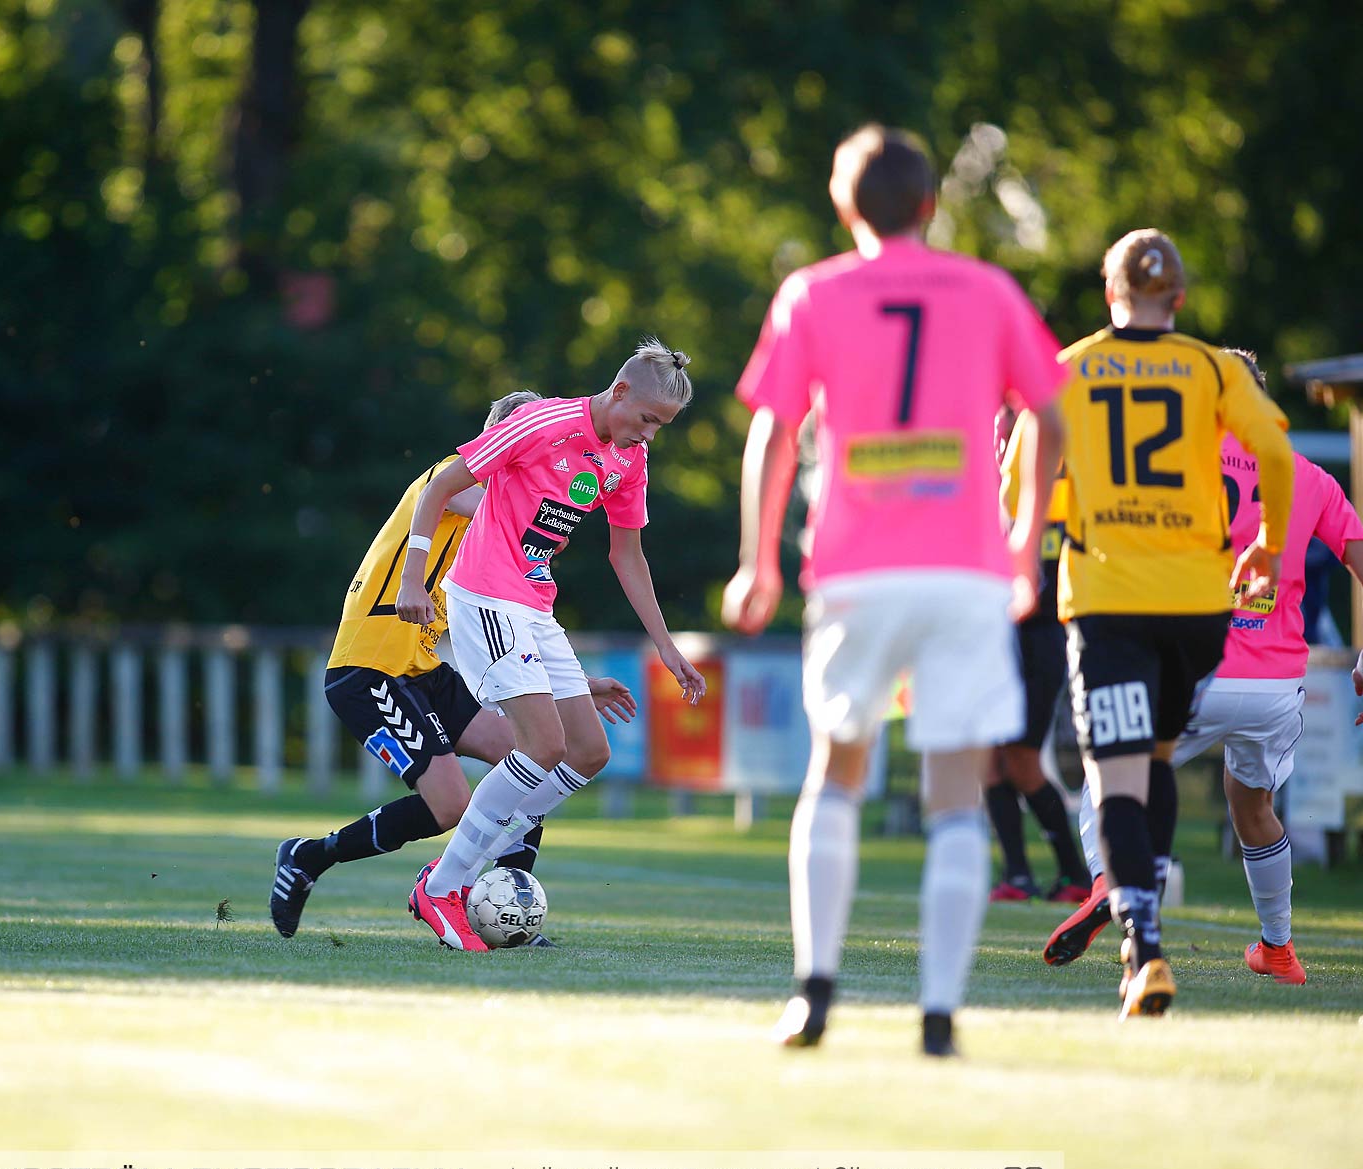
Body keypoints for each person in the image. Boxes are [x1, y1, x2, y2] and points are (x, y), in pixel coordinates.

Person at [721, 124, 1066, 1057]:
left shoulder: (815, 291)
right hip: (965, 568)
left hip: (856, 566)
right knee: (957, 790)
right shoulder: (988, 289)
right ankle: (940, 1015)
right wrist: (1025, 544)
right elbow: (1047, 411)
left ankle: (816, 993)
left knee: (836, 773)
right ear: (929, 205)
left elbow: (775, 432)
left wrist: (757, 559)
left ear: (844, 207)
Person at [1045, 348, 1363, 986]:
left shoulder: (1171, 461)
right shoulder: (1304, 474)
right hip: (1274, 685)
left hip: (1195, 668)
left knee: (1111, 773)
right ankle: (1277, 948)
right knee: (1254, 806)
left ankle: (1112, 884)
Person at [271, 392, 637, 942]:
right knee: (450, 804)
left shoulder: (494, 523)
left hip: (424, 671)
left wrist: (575, 686)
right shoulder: (457, 481)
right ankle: (310, 857)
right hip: (368, 668)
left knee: (531, 759)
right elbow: (493, 502)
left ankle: (502, 904)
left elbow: (507, 619)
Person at [1045, 232, 1294, 1020]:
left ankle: (1145, 947)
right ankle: (1138, 941)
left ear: (1108, 291)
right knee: (1154, 764)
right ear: (1179, 299)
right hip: (1196, 604)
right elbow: (1276, 455)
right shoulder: (1213, 368)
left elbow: (1025, 465)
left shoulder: (1072, 366)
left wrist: (1032, 540)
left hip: (1110, 592)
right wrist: (1267, 543)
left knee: (1115, 774)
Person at [396, 338, 708, 953]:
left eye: (661, 428)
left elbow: (628, 555)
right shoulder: (541, 423)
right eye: (646, 419)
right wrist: (414, 575)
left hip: (535, 606)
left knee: (589, 752)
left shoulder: (629, 460)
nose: (649, 436)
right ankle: (445, 886)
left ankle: (456, 870)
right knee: (541, 745)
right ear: (619, 392)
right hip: (484, 595)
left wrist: (666, 647)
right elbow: (439, 487)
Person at [988, 406, 1095, 904]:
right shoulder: (985, 489)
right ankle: (1019, 876)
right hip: (993, 641)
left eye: (1010, 428)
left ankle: (1075, 873)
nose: (1004, 438)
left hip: (1041, 638)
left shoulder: (1058, 484)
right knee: (990, 762)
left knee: (1024, 761)